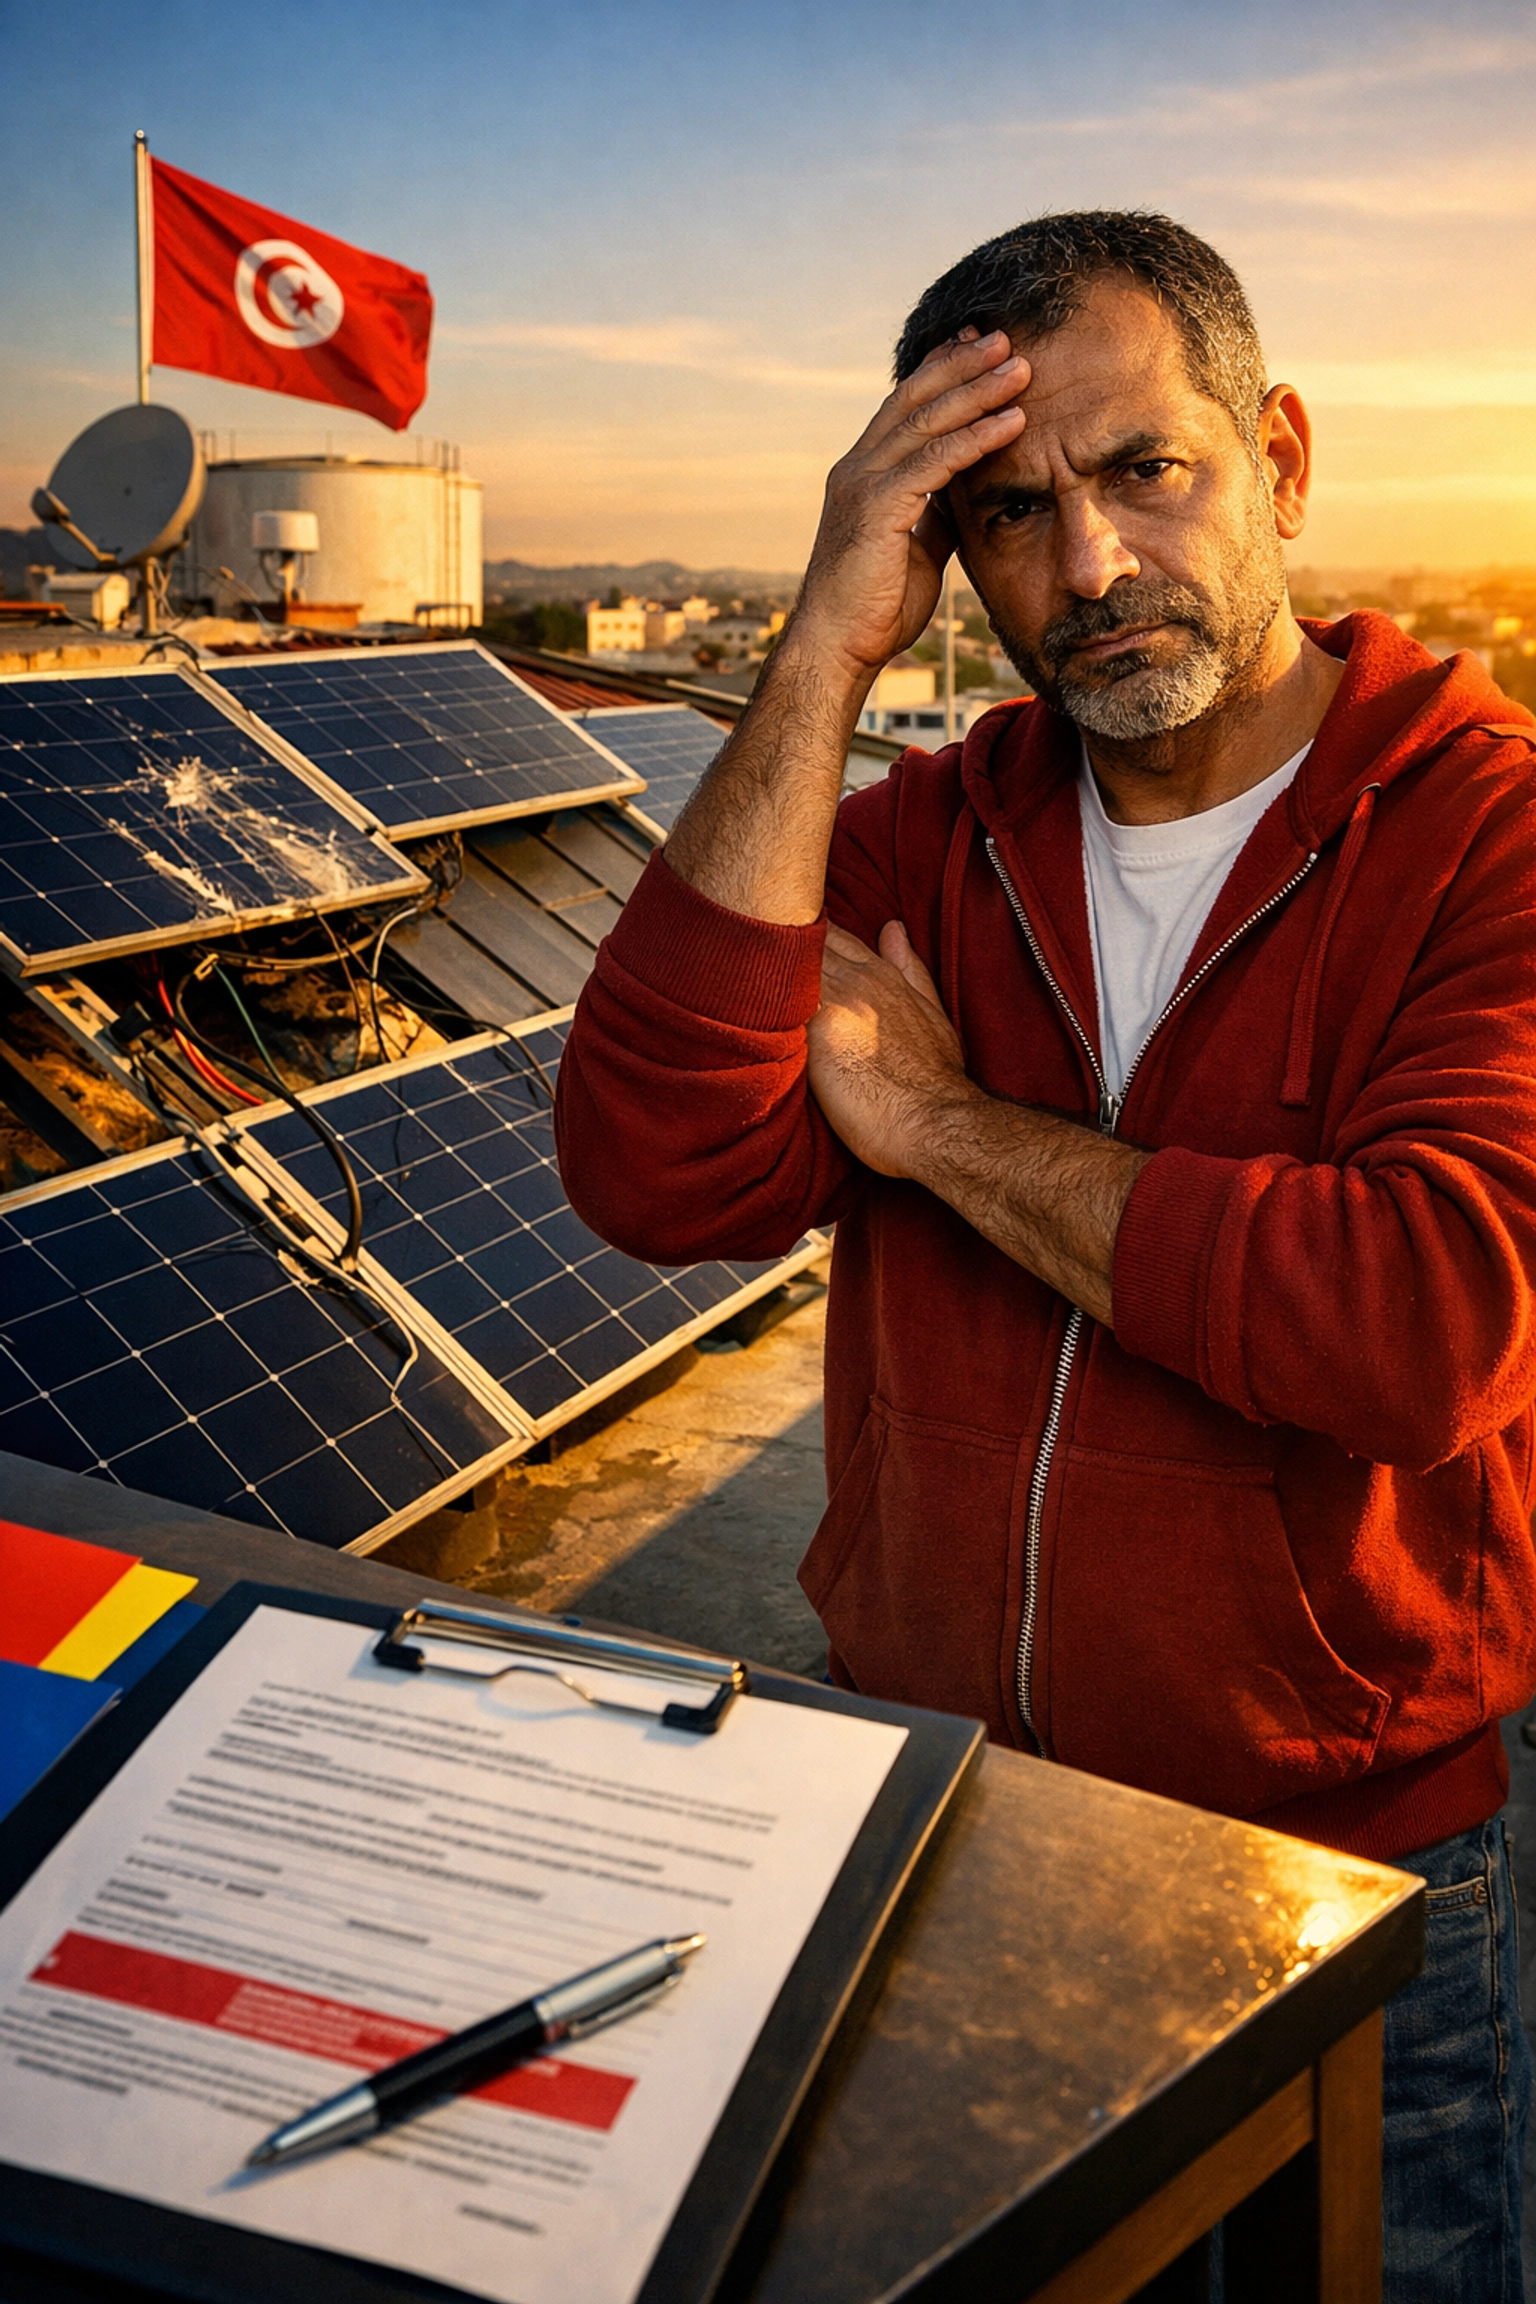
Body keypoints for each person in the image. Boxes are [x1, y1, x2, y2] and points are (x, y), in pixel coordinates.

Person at [555, 212, 1536, 2297]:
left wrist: (935, 1130)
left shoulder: (1489, 835)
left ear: (1278, 449)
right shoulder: (928, 833)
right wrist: (821, 644)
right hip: (928, 1838)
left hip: (1348, 1881)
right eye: (1002, 516)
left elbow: (1414, 1321)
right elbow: (656, 1175)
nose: (1081, 570)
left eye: (1142, 473)